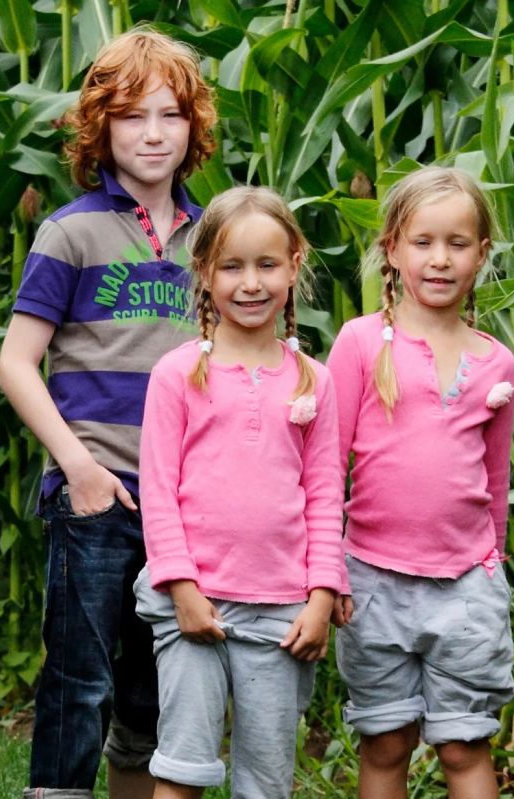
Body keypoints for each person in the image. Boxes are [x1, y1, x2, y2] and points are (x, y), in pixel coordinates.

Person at [0, 26, 216, 799]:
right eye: (130, 116)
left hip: (181, 503)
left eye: (168, 114)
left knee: (149, 691)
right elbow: (15, 363)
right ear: (100, 128)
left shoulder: (211, 240)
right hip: (96, 496)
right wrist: (78, 469)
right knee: (78, 681)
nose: (151, 134)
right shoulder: (72, 231)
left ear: (194, 126)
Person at [134, 185, 347, 799]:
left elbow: (326, 491)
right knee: (184, 766)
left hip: (282, 612)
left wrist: (321, 594)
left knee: (267, 776)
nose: (249, 283)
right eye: (231, 266)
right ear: (203, 272)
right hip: (192, 601)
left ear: (294, 265)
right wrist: (181, 588)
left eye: (266, 265)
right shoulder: (176, 375)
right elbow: (159, 490)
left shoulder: (315, 380)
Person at [325, 166, 514, 799]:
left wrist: (494, 561)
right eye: (423, 242)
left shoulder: (496, 360)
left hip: (466, 584)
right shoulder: (359, 344)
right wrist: (328, 571)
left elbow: (495, 476)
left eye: (457, 244)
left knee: (465, 745)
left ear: (481, 254)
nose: (440, 260)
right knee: (385, 742)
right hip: (372, 581)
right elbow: (327, 463)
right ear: (391, 248)